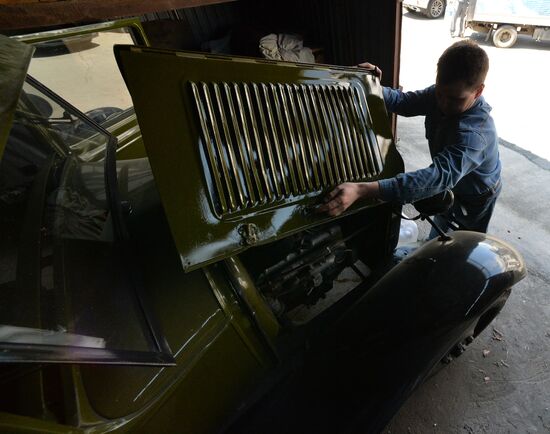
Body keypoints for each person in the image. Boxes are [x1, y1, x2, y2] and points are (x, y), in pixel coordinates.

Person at [320, 40, 502, 236]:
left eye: (456, 99)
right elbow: (403, 102)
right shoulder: (443, 95)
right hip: (452, 184)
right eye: (440, 93)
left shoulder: (475, 136)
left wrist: (363, 189)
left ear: (479, 91)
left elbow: (437, 177)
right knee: (441, 228)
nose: (443, 104)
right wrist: (371, 87)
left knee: (465, 242)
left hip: (476, 194)